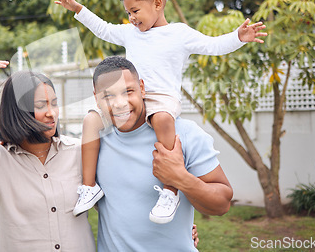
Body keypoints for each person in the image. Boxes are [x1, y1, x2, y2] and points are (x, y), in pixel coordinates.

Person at [51, 0, 267, 223]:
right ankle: (89, 187)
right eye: (128, 13)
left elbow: (212, 45)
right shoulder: (131, 33)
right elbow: (104, 29)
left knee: (163, 119)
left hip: (162, 98)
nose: (131, 18)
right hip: (132, 99)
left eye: (135, 11)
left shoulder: (180, 34)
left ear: (157, 4)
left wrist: (238, 38)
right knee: (90, 120)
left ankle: (170, 191)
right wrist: (77, 8)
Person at [0, 60, 96, 252]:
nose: (52, 113)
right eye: (41, 105)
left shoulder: (78, 152)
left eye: (54, 104)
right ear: (17, 112)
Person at [92, 56, 232, 251]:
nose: (119, 103)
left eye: (128, 91)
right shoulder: (94, 144)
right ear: (96, 99)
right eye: (108, 96)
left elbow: (222, 204)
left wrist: (180, 178)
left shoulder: (183, 133)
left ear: (142, 88)